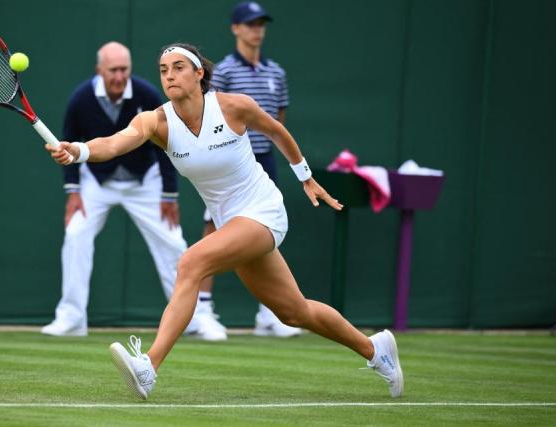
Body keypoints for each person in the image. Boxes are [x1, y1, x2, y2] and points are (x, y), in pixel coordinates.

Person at [46, 43, 404, 400]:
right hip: (231, 223)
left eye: (178, 67)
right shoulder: (155, 121)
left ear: (199, 73)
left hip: (263, 212)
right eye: (163, 69)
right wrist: (77, 151)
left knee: (190, 263)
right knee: (294, 311)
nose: (169, 75)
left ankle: (149, 367)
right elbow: (112, 144)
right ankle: (376, 350)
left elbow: (277, 131)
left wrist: (305, 176)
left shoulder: (234, 106)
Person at [40, 42, 206, 338]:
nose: (119, 76)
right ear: (99, 71)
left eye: (124, 70)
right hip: (96, 182)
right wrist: (73, 192)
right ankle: (71, 319)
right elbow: (69, 141)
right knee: (76, 234)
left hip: (145, 181)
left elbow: (169, 145)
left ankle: (193, 320)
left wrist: (169, 195)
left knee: (172, 242)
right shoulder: (81, 98)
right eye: (113, 70)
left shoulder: (145, 94)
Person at [193, 1, 301, 339]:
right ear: (236, 29)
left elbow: (276, 122)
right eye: (250, 24)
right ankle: (205, 309)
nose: (257, 30)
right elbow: (212, 115)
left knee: (265, 230)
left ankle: (269, 313)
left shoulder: (276, 73)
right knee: (214, 228)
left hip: (264, 161)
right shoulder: (223, 71)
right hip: (227, 163)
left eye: (260, 24)